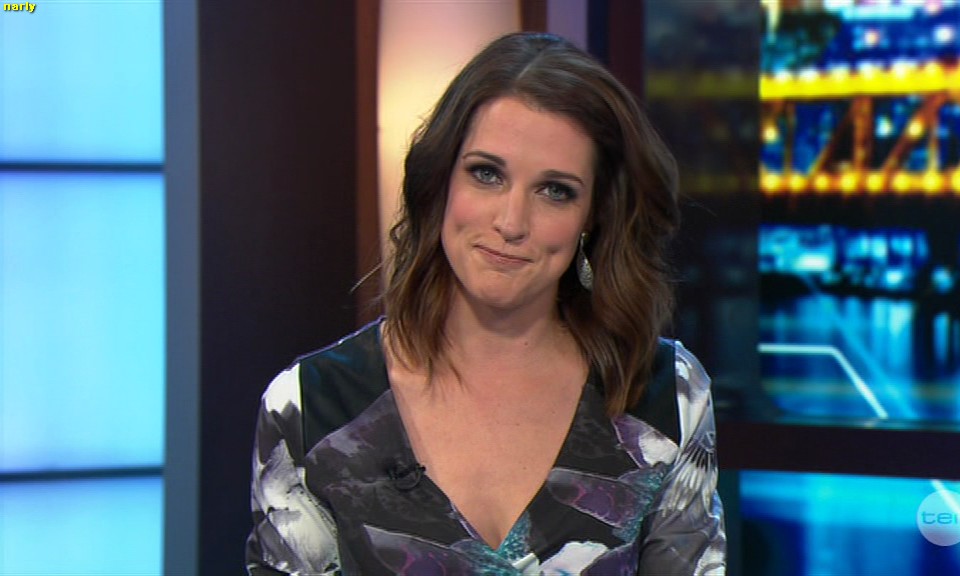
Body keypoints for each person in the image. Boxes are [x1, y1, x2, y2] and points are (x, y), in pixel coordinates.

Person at [246, 32, 726, 575]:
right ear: (441, 181)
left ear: (593, 216)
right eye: (487, 174)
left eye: (555, 191)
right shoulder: (310, 408)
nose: (511, 223)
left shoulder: (665, 395)